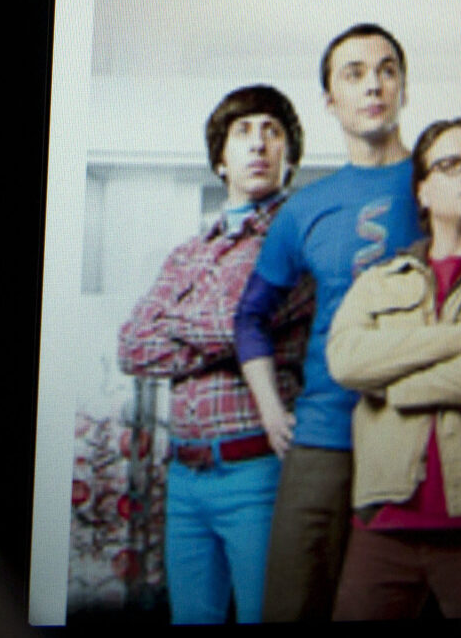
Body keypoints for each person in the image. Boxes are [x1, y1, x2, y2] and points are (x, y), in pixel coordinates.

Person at [324, 118, 461, 619]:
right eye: (452, 164)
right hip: (383, 522)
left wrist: (398, 389)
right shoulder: (381, 279)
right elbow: (346, 359)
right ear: (423, 191)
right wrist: (459, 337)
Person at [234, 24, 419, 622]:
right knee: (292, 607)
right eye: (354, 74)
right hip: (322, 439)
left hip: (418, 437)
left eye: (387, 70)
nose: (374, 85)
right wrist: (271, 409)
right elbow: (250, 316)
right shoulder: (306, 207)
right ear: (330, 100)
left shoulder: (441, 183)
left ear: (404, 88)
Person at [116, 85, 314, 624]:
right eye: (243, 132)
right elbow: (132, 346)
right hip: (185, 478)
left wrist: (179, 322)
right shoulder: (188, 253)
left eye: (272, 132)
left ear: (289, 155)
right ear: (221, 160)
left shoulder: (296, 239)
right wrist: (219, 331)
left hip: (258, 472)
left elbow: (234, 324)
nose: (259, 144)